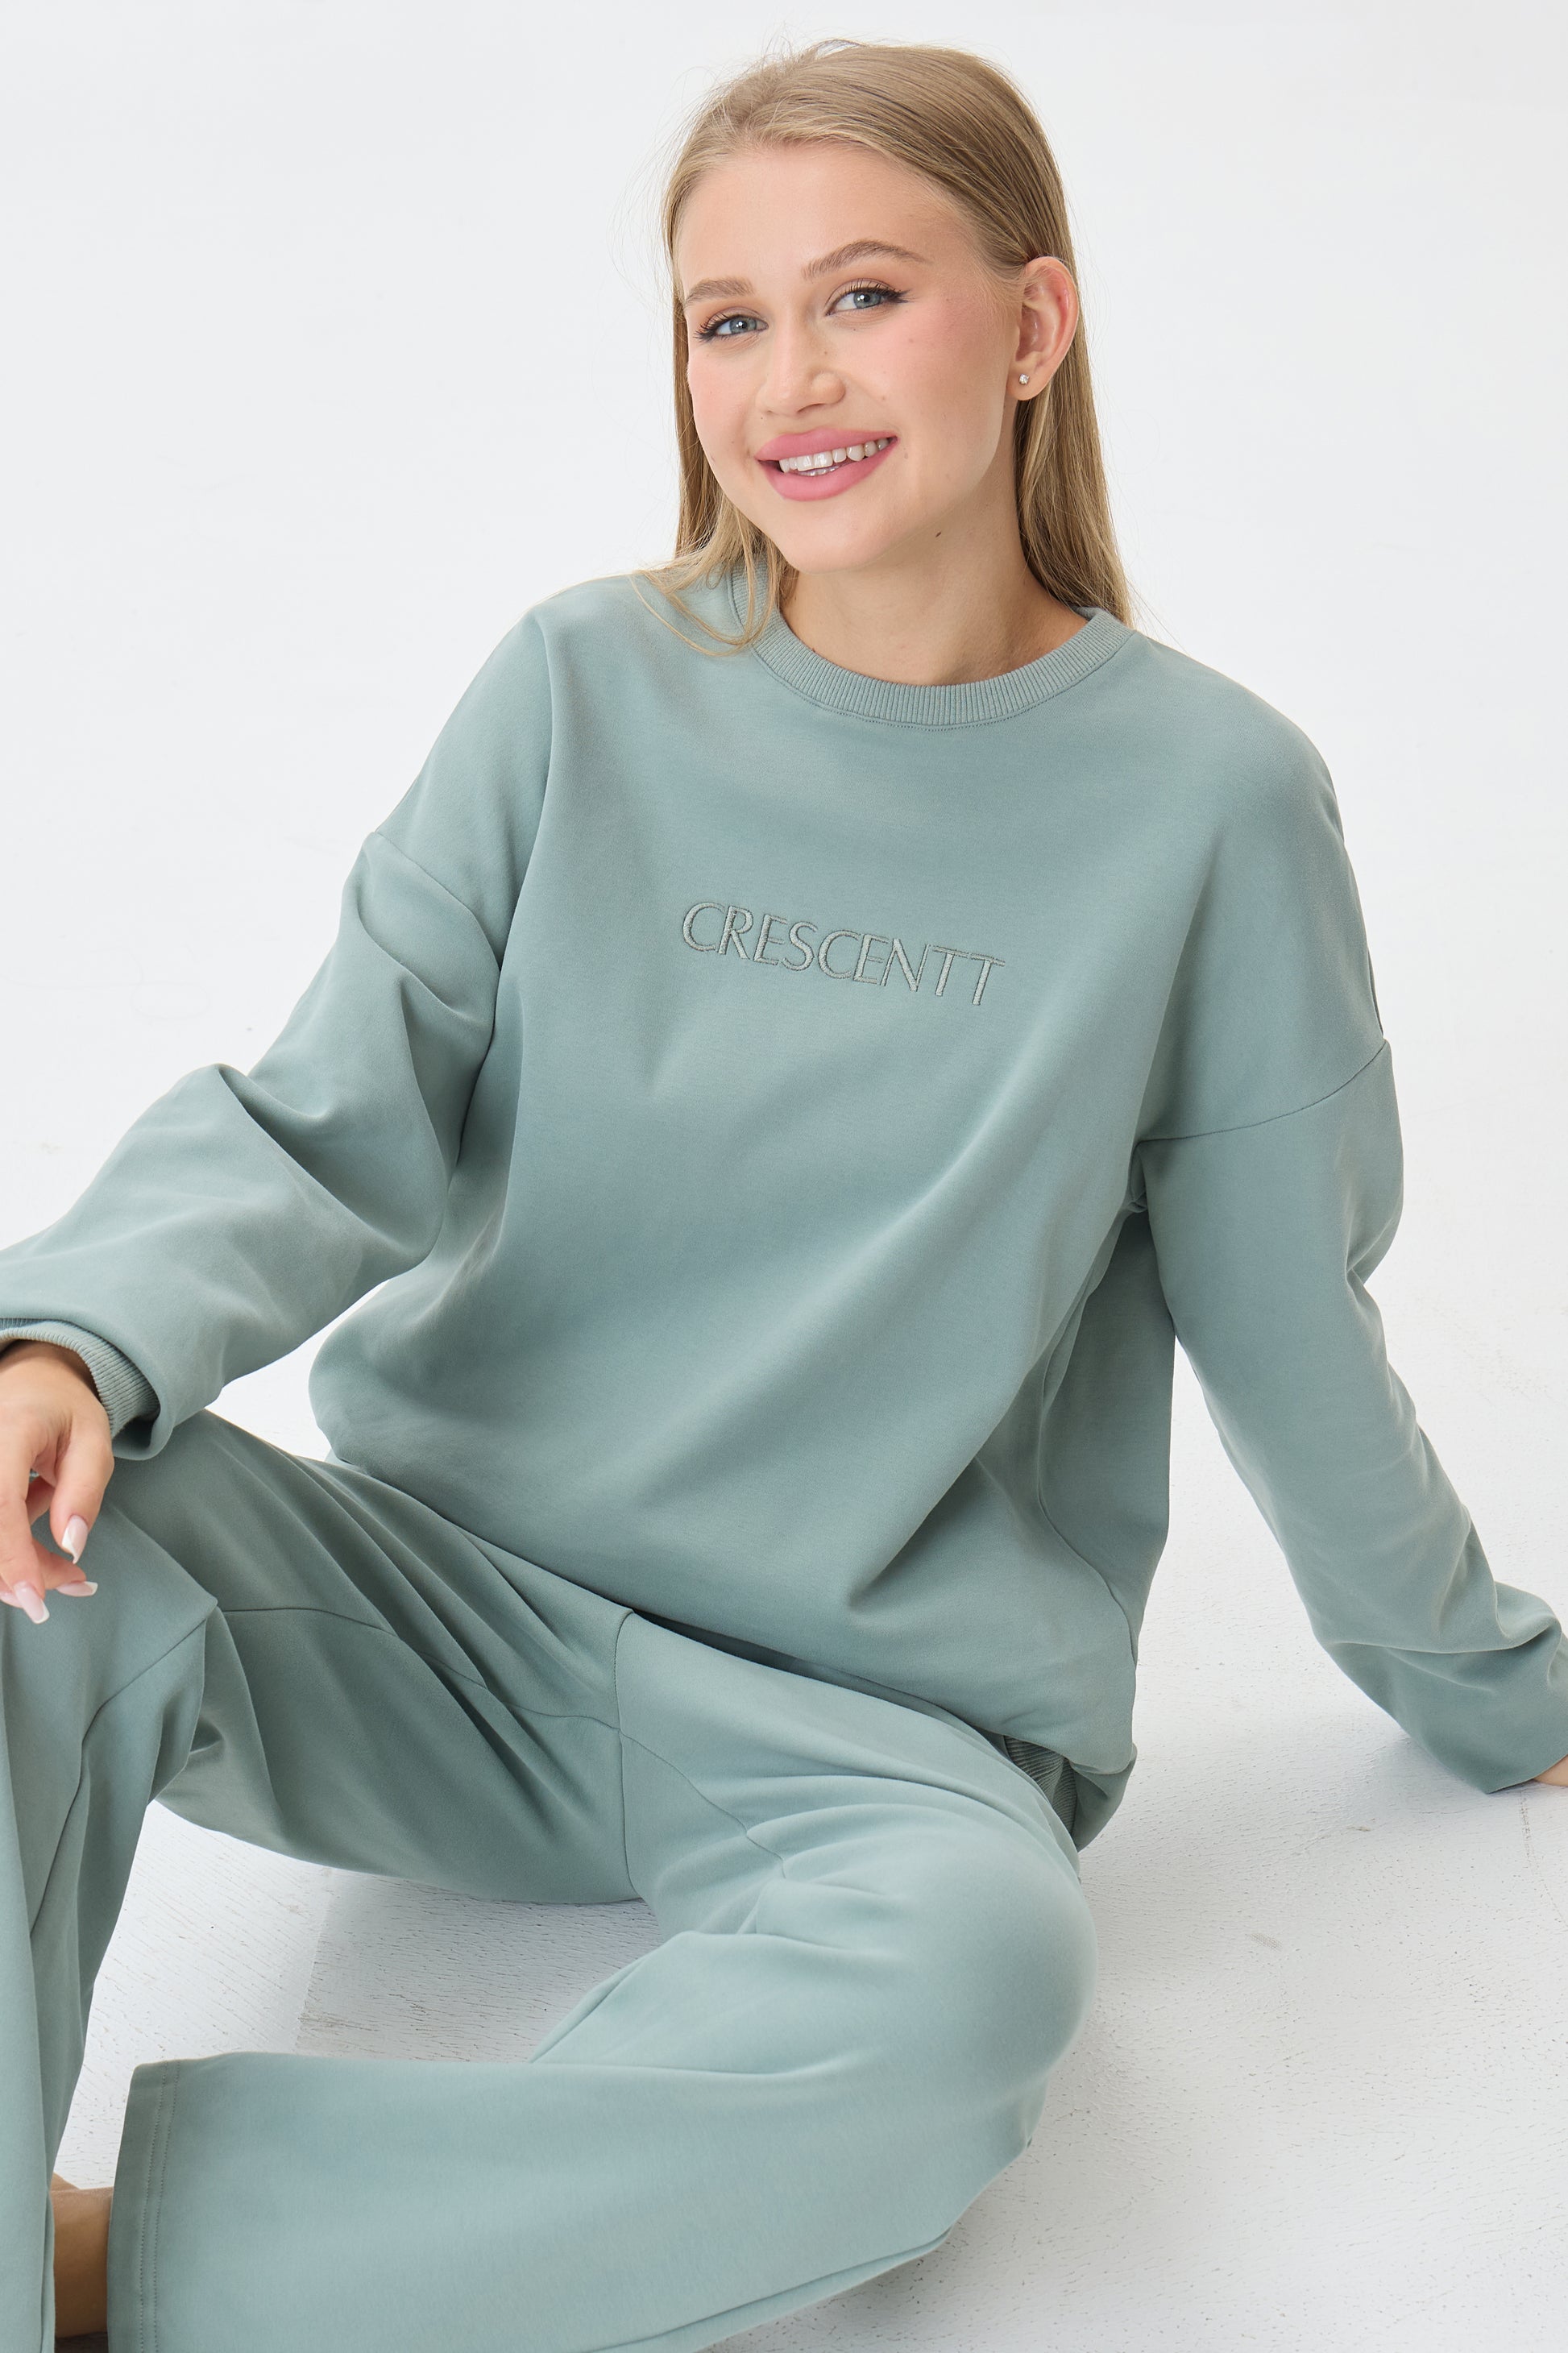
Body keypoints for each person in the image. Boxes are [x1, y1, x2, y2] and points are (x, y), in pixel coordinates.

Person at [2, 33, 1565, 2352]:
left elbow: (1286, 1319)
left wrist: (1488, 1687)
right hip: (435, 1623)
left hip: (875, 1738)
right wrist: (70, 1337)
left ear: (1030, 325)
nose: (788, 379)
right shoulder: (577, 687)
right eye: (728, 318)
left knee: (977, 1985)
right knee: (23, 1537)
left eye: (863, 296)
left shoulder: (1211, 805)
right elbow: (332, 1114)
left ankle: (123, 2273)